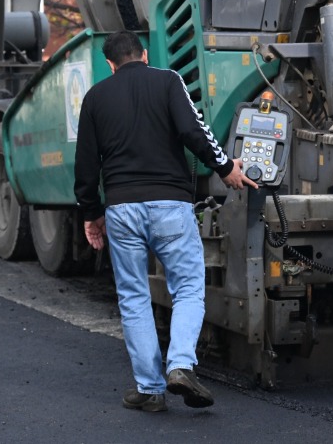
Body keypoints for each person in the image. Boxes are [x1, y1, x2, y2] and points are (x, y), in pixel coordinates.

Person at [74, 30, 258, 412]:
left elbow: (86, 168)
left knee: (133, 297)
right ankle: (180, 365)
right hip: (170, 207)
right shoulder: (168, 80)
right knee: (189, 288)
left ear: (110, 64)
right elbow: (194, 130)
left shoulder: (95, 98)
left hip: (122, 210)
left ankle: (149, 388)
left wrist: (92, 214)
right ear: (144, 55)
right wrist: (224, 168)